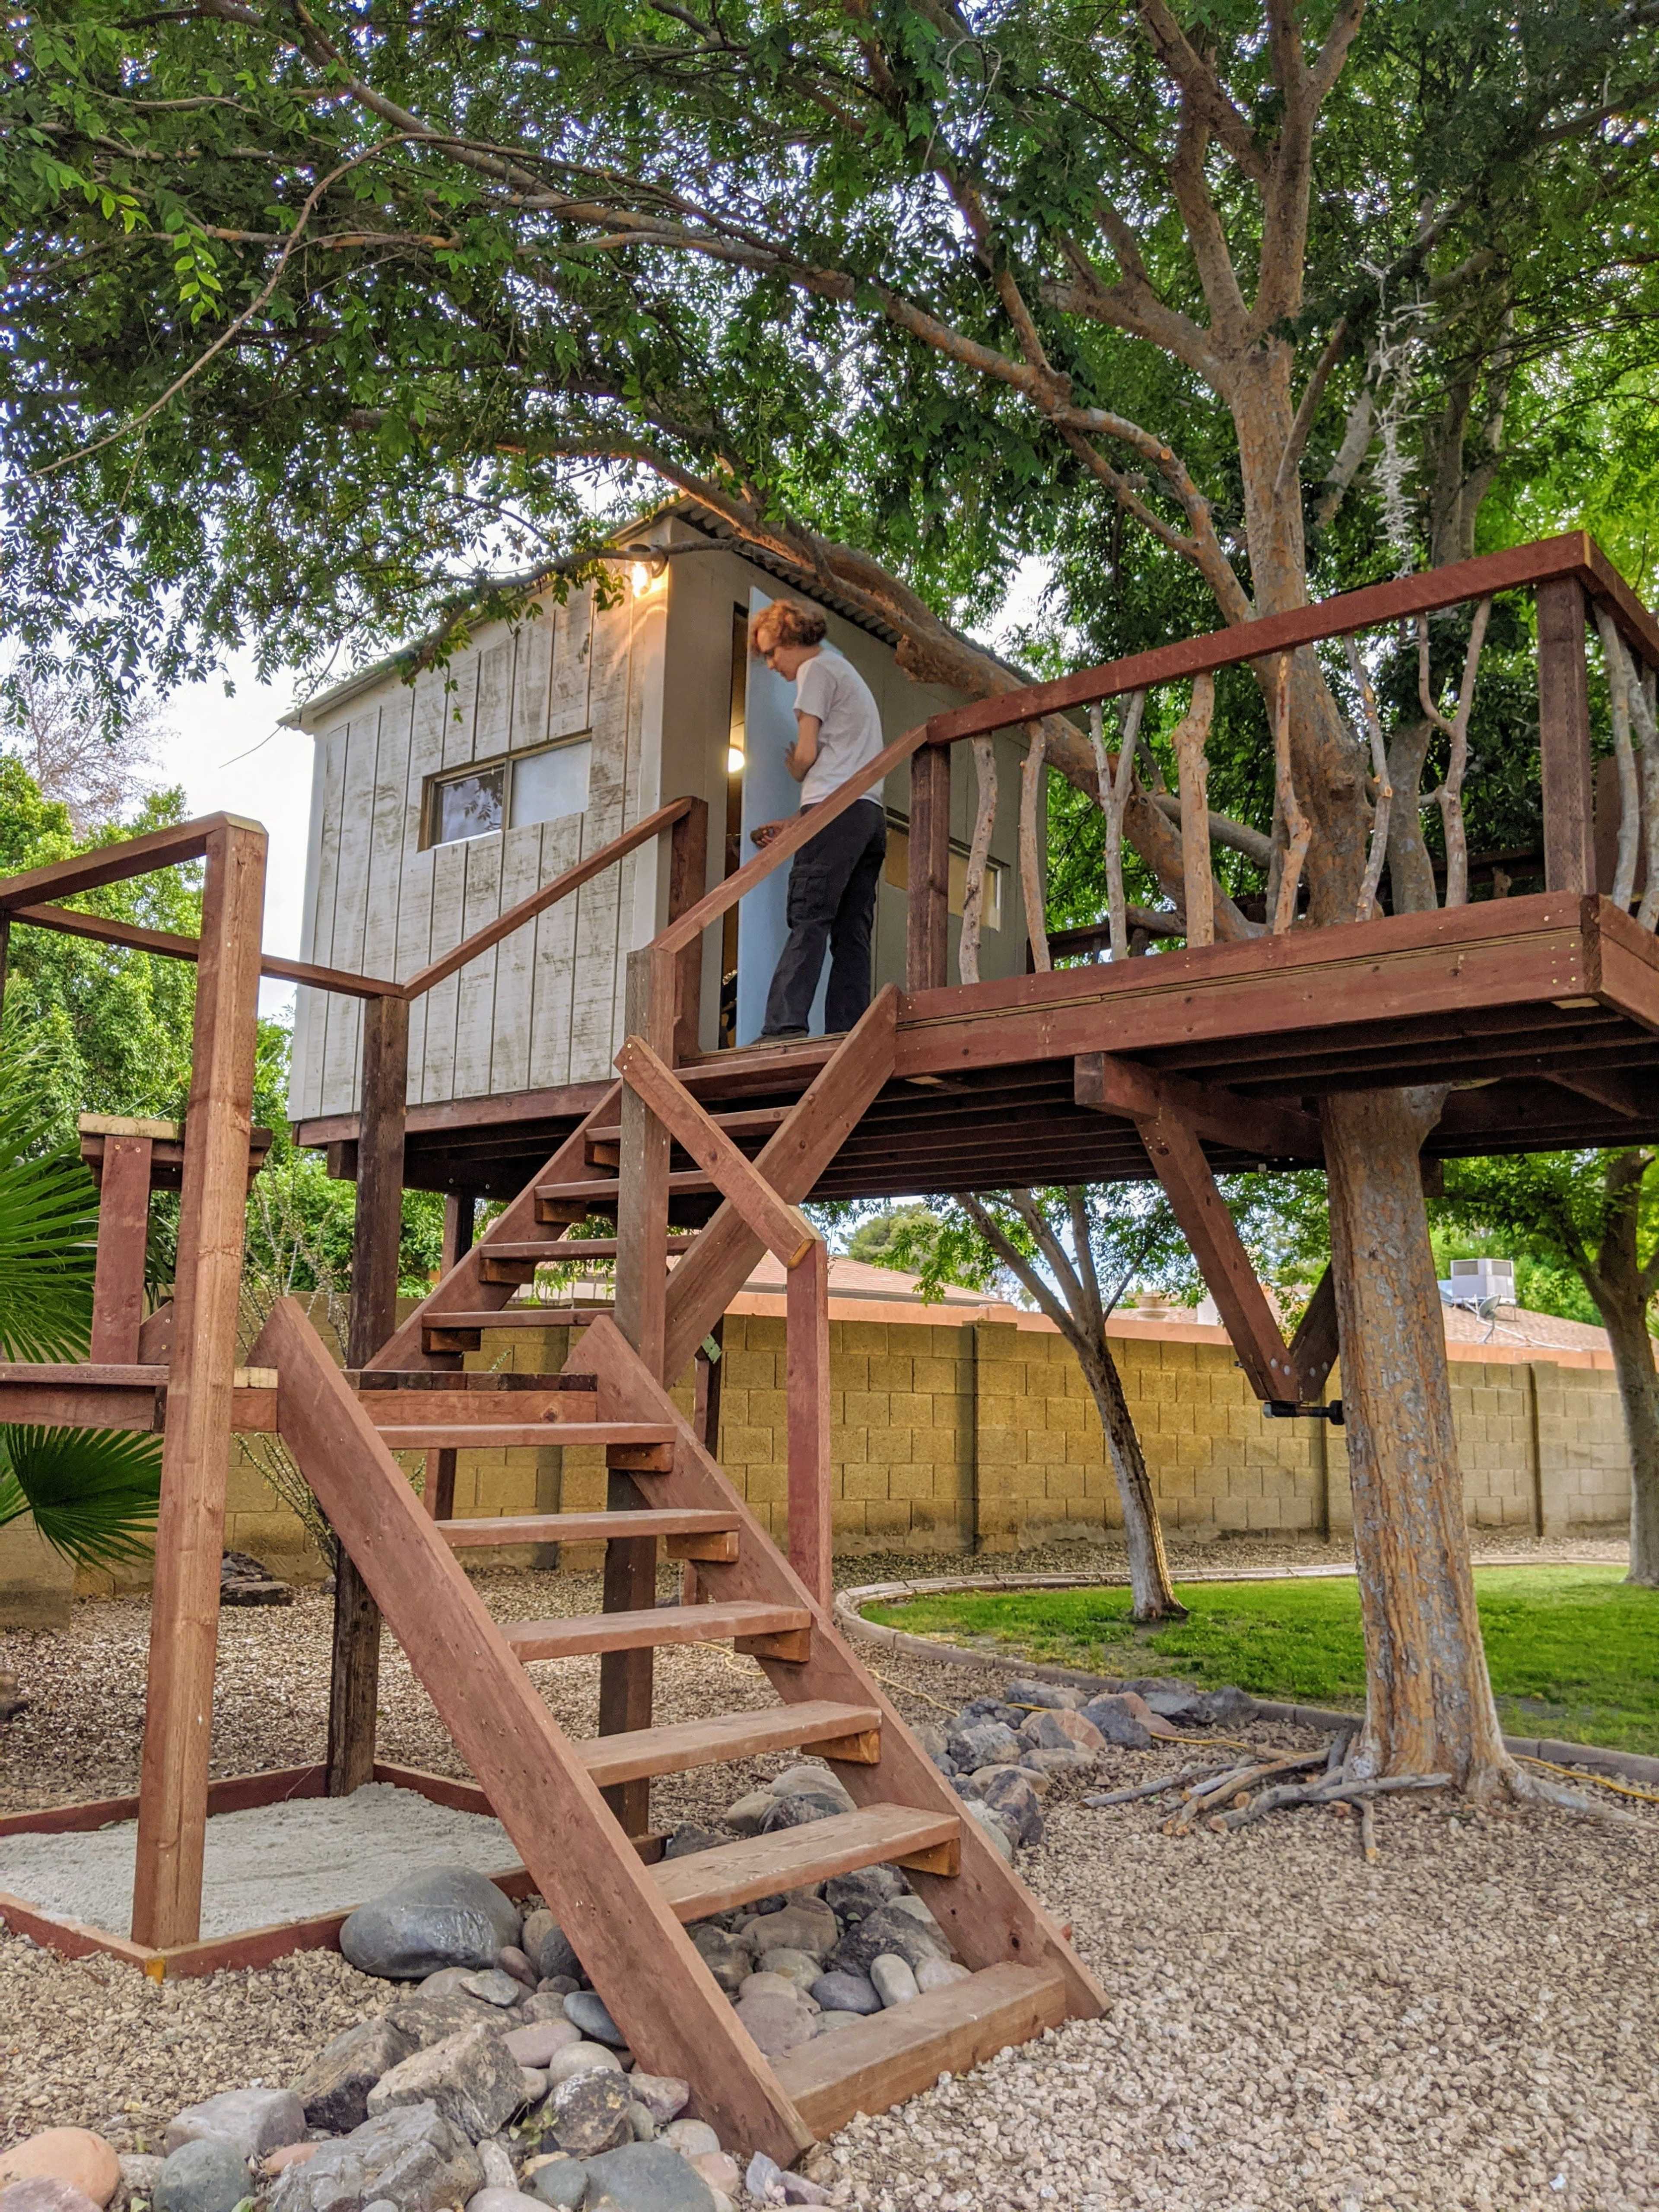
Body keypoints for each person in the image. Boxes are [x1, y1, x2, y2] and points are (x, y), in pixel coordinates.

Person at [748, 598, 888, 1041]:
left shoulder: (815, 671)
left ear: (794, 640)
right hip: (868, 813)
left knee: (808, 917)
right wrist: (797, 821)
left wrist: (794, 770)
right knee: (851, 933)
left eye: (773, 652)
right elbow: (845, 774)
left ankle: (782, 1028)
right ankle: (847, 1034)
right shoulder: (844, 672)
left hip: (835, 811)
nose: (771, 665)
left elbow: (808, 754)